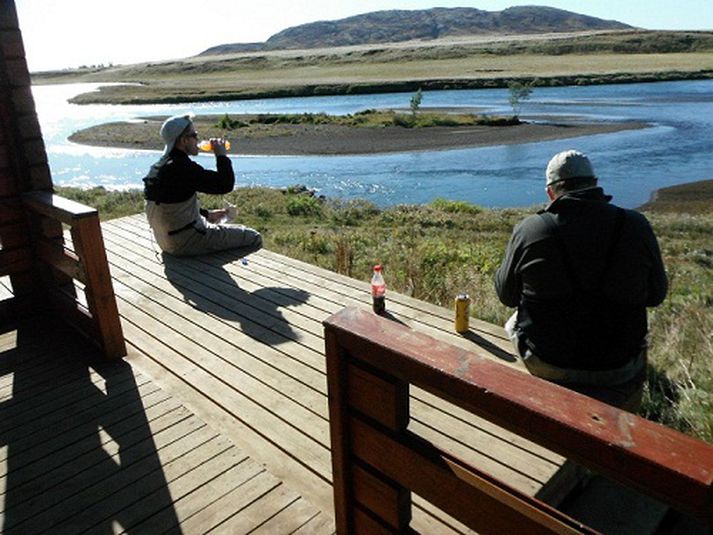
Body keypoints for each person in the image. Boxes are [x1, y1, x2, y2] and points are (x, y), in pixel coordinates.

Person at [495, 149, 667, 410]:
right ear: (595, 185)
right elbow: (656, 296)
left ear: (551, 191)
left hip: (546, 362)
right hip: (619, 365)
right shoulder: (636, 225)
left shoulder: (531, 228)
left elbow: (506, 295)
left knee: (512, 321)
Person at [143, 114, 262, 257]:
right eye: (195, 135)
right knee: (253, 237)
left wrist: (207, 214)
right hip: (187, 242)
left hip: (165, 242)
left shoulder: (158, 167)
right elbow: (225, 185)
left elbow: (172, 202)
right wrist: (221, 156)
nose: (197, 140)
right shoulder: (182, 168)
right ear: (184, 140)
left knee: (220, 229)